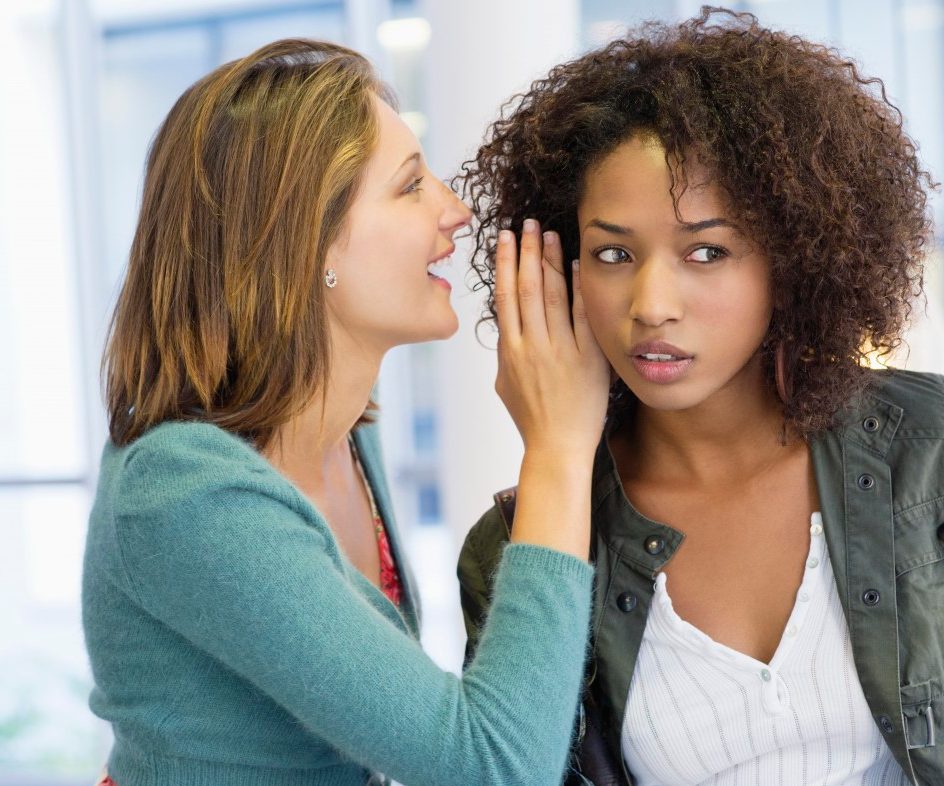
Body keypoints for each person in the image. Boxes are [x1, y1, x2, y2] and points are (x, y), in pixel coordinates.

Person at [456, 9, 944, 785]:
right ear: (563, 270)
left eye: (706, 251)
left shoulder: (930, 443)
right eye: (613, 252)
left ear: (792, 257)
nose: (651, 302)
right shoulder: (519, 554)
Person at [83, 38, 608, 786]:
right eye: (409, 187)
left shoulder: (345, 430)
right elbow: (492, 767)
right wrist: (558, 447)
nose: (454, 211)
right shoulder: (186, 492)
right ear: (305, 243)